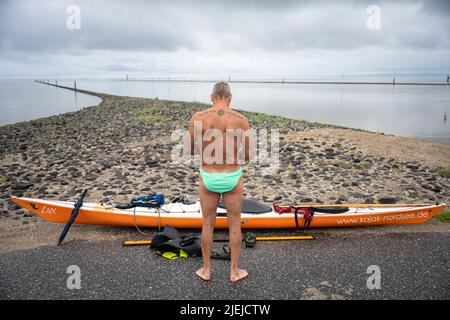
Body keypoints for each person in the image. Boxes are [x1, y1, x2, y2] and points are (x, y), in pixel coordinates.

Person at [185, 82, 253, 282]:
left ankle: (206, 270)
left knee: (207, 224)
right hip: (232, 175)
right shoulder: (241, 120)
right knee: (234, 225)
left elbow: (188, 150)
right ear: (230, 98)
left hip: (208, 175)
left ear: (212, 97)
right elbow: (248, 155)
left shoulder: (197, 117)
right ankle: (234, 271)